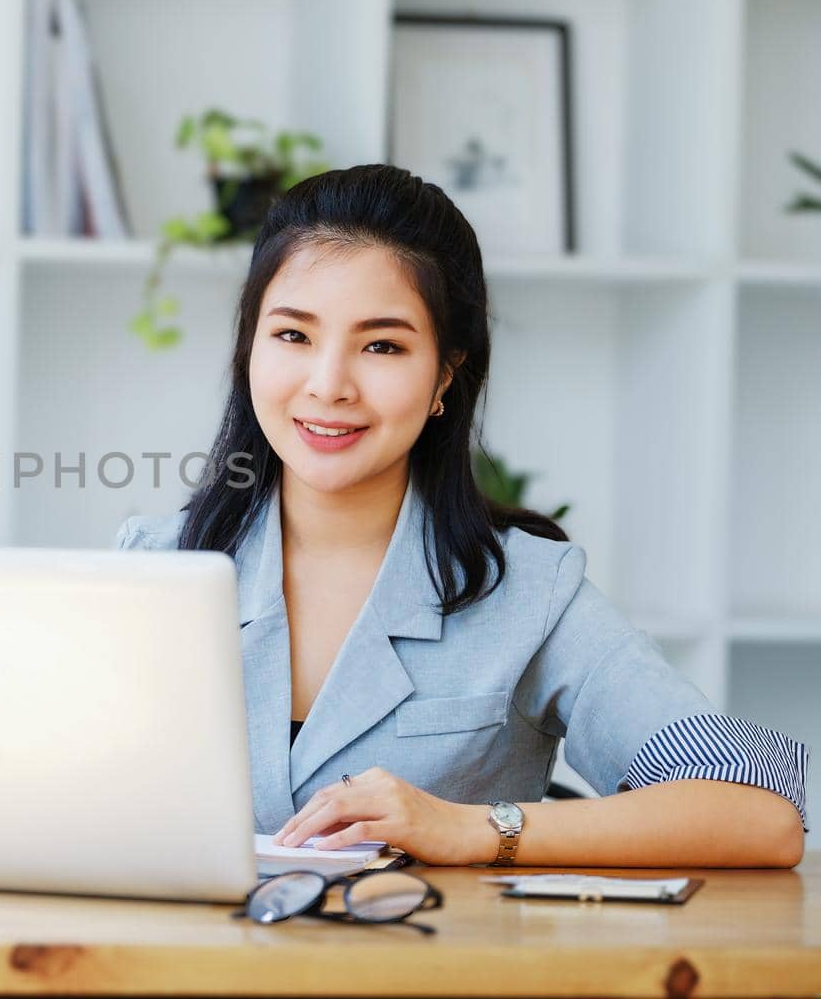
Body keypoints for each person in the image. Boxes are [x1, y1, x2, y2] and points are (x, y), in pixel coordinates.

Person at [116, 164, 807, 868]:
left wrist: (475, 827)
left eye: (382, 345)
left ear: (445, 374)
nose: (328, 385)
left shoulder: (529, 591)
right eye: (293, 335)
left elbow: (758, 812)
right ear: (250, 346)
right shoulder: (154, 567)